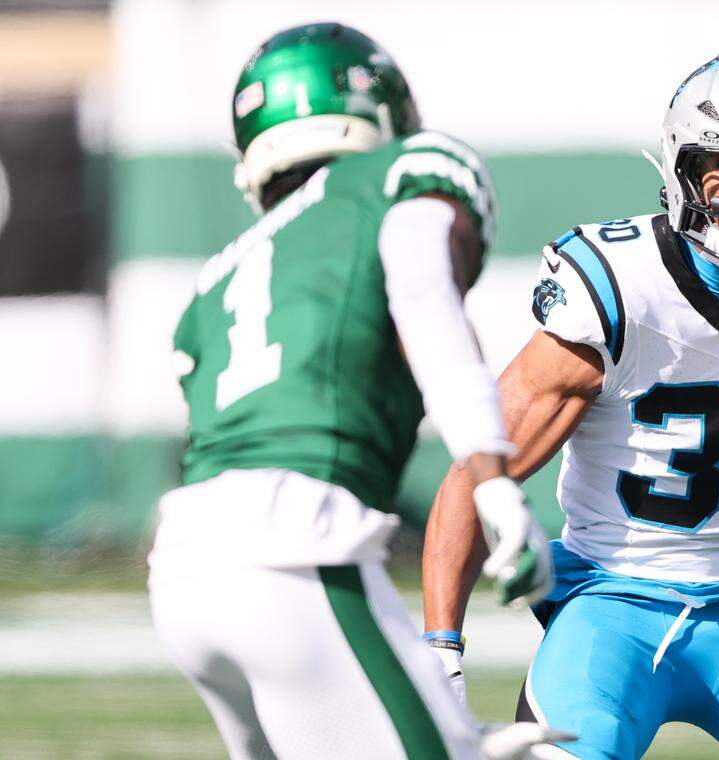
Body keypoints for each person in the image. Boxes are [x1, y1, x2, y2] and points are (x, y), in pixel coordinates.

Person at [422, 47, 719, 759]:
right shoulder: (621, 286)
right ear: (685, 164)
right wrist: (441, 647)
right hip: (611, 610)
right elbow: (478, 471)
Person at [147, 22, 558, 760]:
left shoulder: (214, 280)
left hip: (183, 569)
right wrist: (493, 480)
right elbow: (425, 299)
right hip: (297, 541)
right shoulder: (399, 176)